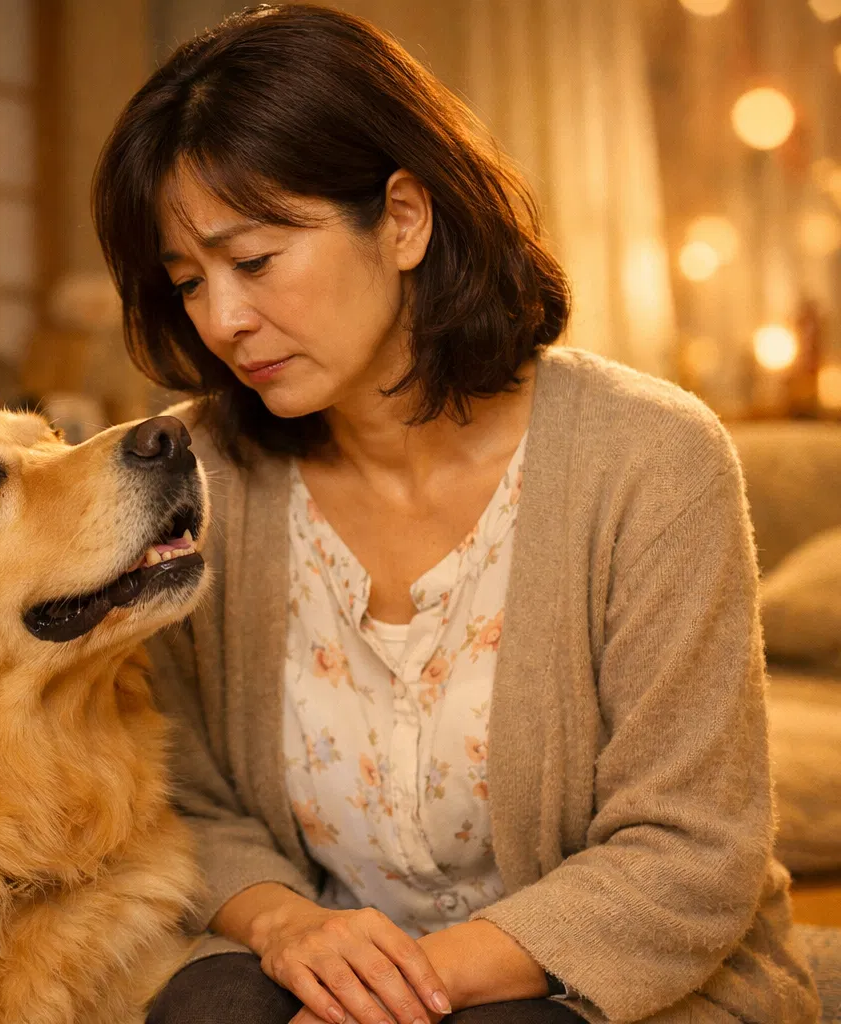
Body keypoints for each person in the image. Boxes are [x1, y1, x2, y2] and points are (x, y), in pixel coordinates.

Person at [91, 7, 821, 1024]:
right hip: (323, 950)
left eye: (253, 261)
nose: (221, 320)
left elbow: (691, 851)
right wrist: (290, 930)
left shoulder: (651, 458)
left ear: (402, 218)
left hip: (600, 978)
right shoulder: (201, 474)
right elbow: (181, 798)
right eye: (187, 283)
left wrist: (409, 990)